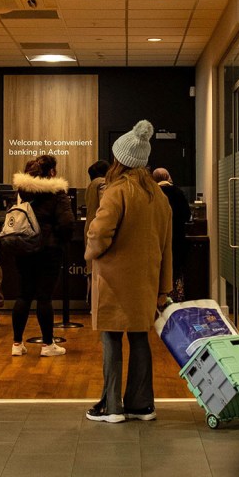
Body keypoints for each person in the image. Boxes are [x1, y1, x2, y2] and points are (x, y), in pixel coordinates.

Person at [85, 120, 173, 423]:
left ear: (119, 160)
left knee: (110, 338)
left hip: (114, 280)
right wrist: (163, 288)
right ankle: (141, 404)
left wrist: (90, 253)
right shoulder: (158, 196)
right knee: (139, 338)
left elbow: (99, 233)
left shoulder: (116, 191)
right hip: (145, 282)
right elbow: (166, 246)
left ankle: (112, 406)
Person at [10, 154, 74, 357]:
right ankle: (47, 345)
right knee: (44, 297)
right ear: (52, 172)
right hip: (49, 250)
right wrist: (60, 240)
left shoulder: (22, 192)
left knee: (23, 295)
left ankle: (17, 344)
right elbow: (67, 223)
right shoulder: (57, 194)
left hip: (23, 248)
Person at [152, 167, 191, 302]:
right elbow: (187, 215)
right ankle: (175, 297)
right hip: (177, 236)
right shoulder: (178, 192)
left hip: (157, 238)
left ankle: (159, 298)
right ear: (168, 176)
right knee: (176, 268)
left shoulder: (153, 193)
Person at [83, 159, 110, 241]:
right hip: (100, 231)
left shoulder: (91, 186)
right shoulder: (103, 184)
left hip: (90, 228)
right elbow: (106, 208)